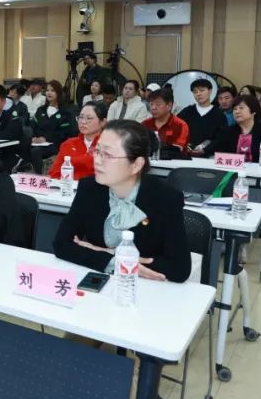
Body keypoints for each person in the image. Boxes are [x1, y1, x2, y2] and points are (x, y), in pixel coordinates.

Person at [52, 120, 192, 283]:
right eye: (97, 151)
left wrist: (101, 251)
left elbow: (179, 268)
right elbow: (61, 244)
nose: (97, 160)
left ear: (136, 165)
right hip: (102, 283)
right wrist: (113, 260)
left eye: (108, 155)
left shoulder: (165, 198)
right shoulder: (90, 188)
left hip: (149, 288)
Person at [48, 102, 107, 180]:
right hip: (68, 186)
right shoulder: (68, 144)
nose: (83, 122)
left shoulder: (109, 146)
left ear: (103, 122)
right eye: (80, 117)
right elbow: (54, 174)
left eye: (89, 118)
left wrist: (76, 162)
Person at [212, 94, 261, 163]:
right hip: (233, 169)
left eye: (241, 108)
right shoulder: (226, 132)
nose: (237, 111)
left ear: (253, 111)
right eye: (235, 109)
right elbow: (217, 154)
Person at [178, 78, 223, 157]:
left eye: (202, 90)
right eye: (195, 92)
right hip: (187, 156)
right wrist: (184, 145)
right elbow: (176, 129)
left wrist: (205, 150)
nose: (198, 94)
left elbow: (221, 138)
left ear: (210, 91)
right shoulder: (187, 111)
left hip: (210, 157)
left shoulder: (219, 114)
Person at [31, 79, 77, 152]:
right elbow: (34, 127)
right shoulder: (40, 110)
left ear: (58, 93)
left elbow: (64, 133)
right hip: (38, 143)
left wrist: (46, 138)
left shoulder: (65, 112)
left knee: (36, 151)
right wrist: (34, 137)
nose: (49, 93)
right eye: (47, 90)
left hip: (56, 144)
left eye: (52, 91)